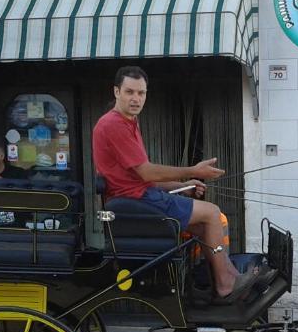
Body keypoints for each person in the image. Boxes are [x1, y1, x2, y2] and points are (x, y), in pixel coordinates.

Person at [92, 66, 256, 303]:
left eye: (141, 93)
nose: (136, 99)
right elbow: (146, 172)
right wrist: (194, 171)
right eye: (129, 92)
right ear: (116, 91)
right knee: (212, 213)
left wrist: (181, 184)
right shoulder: (114, 124)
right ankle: (225, 285)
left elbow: (138, 176)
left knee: (203, 227)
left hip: (140, 195)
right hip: (137, 202)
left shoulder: (128, 122)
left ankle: (223, 276)